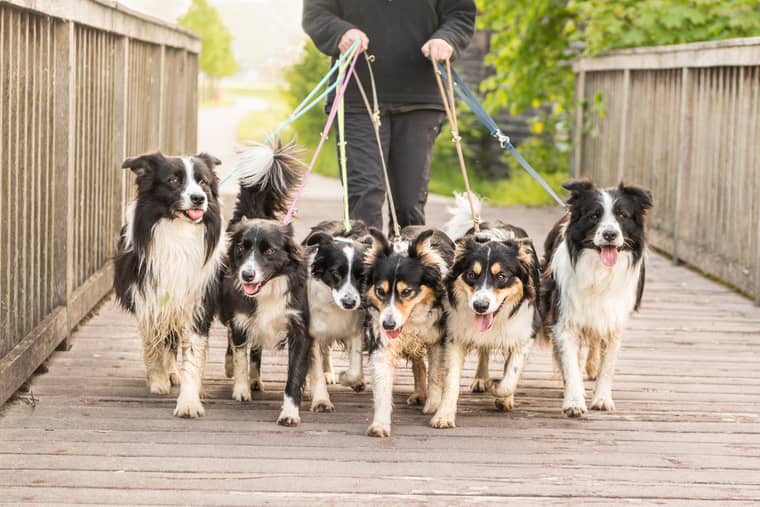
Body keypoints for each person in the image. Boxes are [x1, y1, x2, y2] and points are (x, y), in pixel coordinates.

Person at [302, 0, 476, 231]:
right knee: (364, 196)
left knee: (409, 205)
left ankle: (409, 264)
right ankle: (367, 264)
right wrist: (340, 32)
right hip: (357, 97)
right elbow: (316, 12)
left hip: (421, 97)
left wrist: (447, 38)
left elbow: (460, 12)